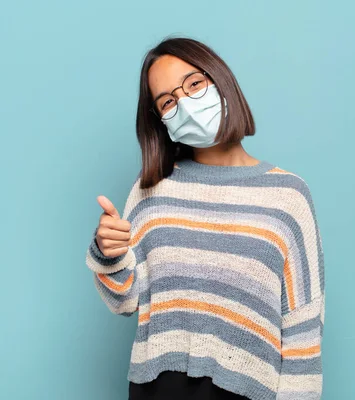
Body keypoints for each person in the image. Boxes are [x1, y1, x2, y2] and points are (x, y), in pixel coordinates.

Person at [84, 36, 326, 400]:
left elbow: (303, 327)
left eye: (194, 84)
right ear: (161, 120)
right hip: (157, 389)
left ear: (220, 80)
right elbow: (125, 301)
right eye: (167, 102)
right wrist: (109, 252)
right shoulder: (152, 189)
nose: (184, 104)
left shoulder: (289, 197)